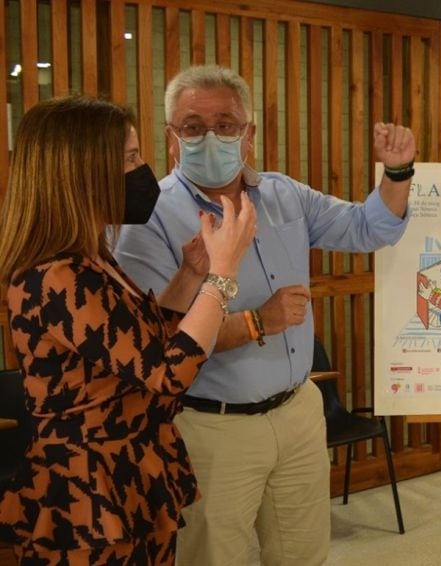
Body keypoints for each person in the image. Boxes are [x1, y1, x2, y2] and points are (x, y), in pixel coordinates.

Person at [114, 65, 414, 565]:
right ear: (171, 138)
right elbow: (155, 347)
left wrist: (397, 172)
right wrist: (258, 321)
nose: (210, 137)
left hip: (297, 412)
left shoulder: (282, 194)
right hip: (211, 427)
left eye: (226, 125)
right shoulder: (149, 218)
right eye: (193, 127)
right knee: (211, 557)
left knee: (303, 555)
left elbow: (368, 228)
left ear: (248, 134)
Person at [0, 97, 255, 564]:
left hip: (130, 463)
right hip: (86, 488)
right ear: (85, 172)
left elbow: (142, 347)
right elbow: (168, 372)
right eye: (131, 158)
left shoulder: (91, 257)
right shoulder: (56, 276)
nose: (143, 170)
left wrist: (190, 277)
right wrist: (223, 275)